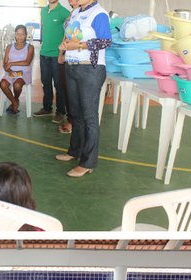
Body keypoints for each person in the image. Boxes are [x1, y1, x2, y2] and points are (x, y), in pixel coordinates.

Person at [54, 0, 112, 178]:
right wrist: (62, 51)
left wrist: (78, 46)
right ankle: (74, 151)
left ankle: (88, 162)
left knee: (89, 117)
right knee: (76, 114)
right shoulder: (76, 12)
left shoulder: (99, 14)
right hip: (72, 66)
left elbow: (105, 41)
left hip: (90, 69)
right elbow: (69, 36)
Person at [34, 0, 70, 123]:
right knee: (46, 83)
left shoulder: (65, 13)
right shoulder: (43, 11)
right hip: (44, 53)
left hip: (57, 55)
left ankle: (60, 111)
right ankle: (47, 108)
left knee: (59, 85)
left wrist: (62, 52)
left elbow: (69, 33)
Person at [0, 25, 33, 116]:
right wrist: (8, 69)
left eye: (22, 34)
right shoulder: (9, 47)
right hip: (12, 72)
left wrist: (11, 63)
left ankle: (15, 100)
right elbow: (5, 62)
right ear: (15, 34)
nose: (20, 36)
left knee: (17, 85)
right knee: (3, 84)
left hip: (24, 73)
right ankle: (14, 102)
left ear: (26, 35)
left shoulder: (30, 47)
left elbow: (27, 62)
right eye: (18, 34)